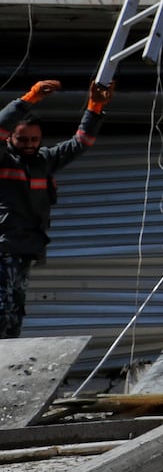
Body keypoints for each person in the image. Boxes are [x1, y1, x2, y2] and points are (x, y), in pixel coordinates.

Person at [0, 78, 112, 338]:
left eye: (34, 140)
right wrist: (29, 99)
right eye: (22, 139)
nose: (29, 145)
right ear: (10, 138)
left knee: (14, 313)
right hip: (3, 247)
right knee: (2, 310)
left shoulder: (44, 161)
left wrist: (94, 109)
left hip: (25, 249)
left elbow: (80, 142)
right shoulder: (3, 160)